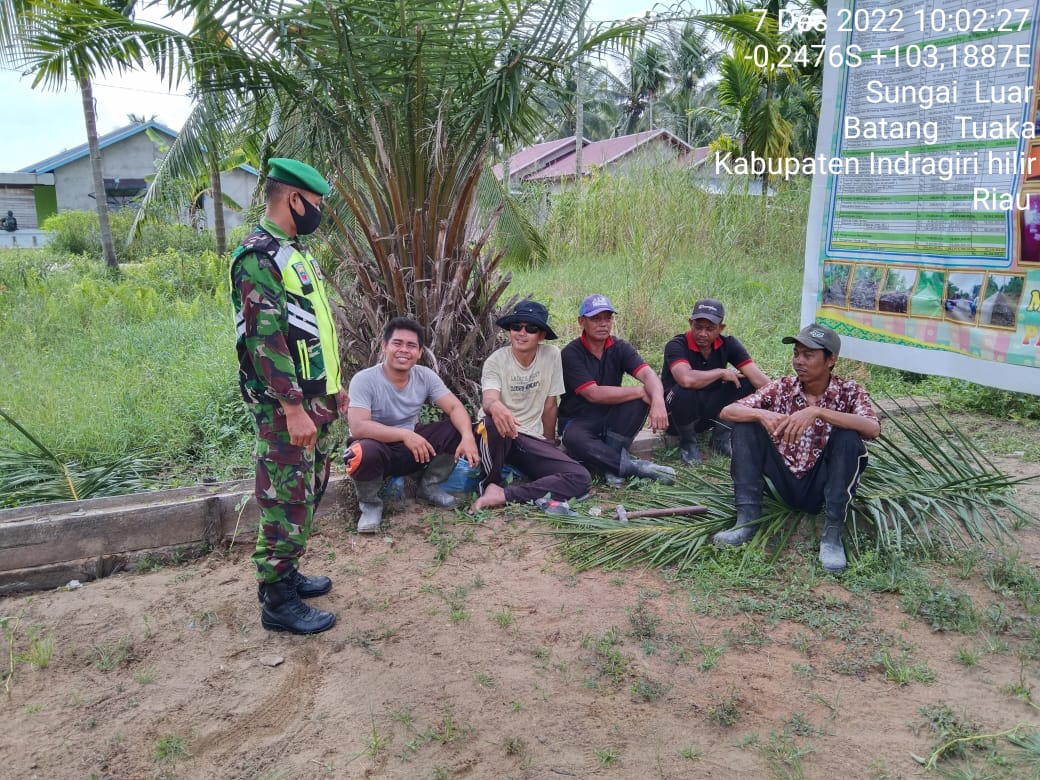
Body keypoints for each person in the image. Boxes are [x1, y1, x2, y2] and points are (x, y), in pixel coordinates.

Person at [230, 157, 348, 635]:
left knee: (306, 490)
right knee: (284, 497)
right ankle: (276, 599)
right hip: (288, 408)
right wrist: (293, 407)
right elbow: (266, 339)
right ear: (293, 199)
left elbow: (312, 328)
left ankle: (288, 572)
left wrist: (332, 395)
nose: (319, 212)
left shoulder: (291, 251)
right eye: (315, 203)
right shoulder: (258, 257)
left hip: (315, 401)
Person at [712, 323, 880, 572]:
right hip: (780, 481)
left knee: (848, 437)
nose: (799, 361)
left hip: (819, 485)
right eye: (796, 354)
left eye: (808, 355)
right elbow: (728, 411)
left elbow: (872, 428)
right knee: (746, 426)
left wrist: (819, 412)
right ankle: (746, 520)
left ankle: (832, 533)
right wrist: (760, 415)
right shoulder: (782, 387)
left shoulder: (850, 392)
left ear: (830, 360)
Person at [345, 317, 480, 533]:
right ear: (384, 346)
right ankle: (370, 506)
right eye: (397, 343)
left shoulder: (424, 376)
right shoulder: (364, 379)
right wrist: (404, 435)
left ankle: (429, 486)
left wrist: (467, 437)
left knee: (458, 428)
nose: (404, 350)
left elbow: (455, 408)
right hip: (377, 447)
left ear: (419, 353)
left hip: (411, 449)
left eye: (411, 346)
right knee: (362, 451)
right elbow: (359, 426)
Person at [470, 300, 591, 514]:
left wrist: (549, 441)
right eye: (516, 327)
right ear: (510, 331)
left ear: (541, 335)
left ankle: (505, 494)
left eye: (531, 328)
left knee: (580, 477)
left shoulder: (551, 355)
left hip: (528, 438)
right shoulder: (496, 361)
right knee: (492, 421)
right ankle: (490, 482)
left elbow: (550, 405)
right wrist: (496, 407)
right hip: (499, 435)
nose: (522, 333)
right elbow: (489, 399)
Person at [558, 294, 675, 485]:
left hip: (611, 417)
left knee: (644, 397)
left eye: (608, 318)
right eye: (596, 319)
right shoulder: (571, 353)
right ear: (582, 322)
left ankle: (611, 464)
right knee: (573, 438)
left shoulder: (619, 347)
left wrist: (658, 401)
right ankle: (632, 467)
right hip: (579, 420)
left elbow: (648, 375)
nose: (603, 324)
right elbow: (593, 394)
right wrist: (640, 391)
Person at [662, 298, 770, 464]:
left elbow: (759, 380)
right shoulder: (677, 345)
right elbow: (686, 379)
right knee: (683, 390)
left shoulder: (728, 344)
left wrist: (788, 401)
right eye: (698, 327)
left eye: (710, 329)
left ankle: (720, 437)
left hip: (708, 413)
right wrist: (720, 372)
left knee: (746, 383)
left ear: (721, 328)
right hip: (676, 417)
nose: (703, 333)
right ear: (690, 323)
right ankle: (688, 443)